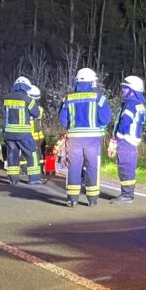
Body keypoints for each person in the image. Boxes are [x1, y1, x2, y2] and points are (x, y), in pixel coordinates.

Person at [58, 68, 111, 207]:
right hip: (93, 139)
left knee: (74, 167)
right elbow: (105, 118)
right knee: (92, 167)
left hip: (74, 138)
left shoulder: (68, 98)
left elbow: (63, 120)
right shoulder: (99, 98)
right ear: (92, 82)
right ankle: (92, 199)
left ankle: (72, 199)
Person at [110, 75, 146, 204]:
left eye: (125, 87)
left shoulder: (131, 103)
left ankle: (127, 195)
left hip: (126, 140)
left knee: (125, 167)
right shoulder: (139, 103)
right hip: (132, 140)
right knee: (128, 166)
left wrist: (116, 137)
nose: (123, 90)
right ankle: (127, 194)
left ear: (132, 90)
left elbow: (125, 122)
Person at [2, 76, 43, 186]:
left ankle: (13, 179)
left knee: (12, 155)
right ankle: (34, 178)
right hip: (23, 133)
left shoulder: (6, 98)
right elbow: (36, 114)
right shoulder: (28, 99)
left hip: (9, 133)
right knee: (32, 153)